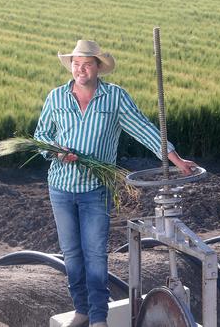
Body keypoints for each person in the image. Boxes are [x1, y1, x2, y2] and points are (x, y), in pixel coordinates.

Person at [34, 40, 197, 327]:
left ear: (98, 67)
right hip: (60, 187)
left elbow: (144, 129)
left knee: (95, 253)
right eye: (75, 64)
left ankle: (99, 318)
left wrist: (176, 159)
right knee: (71, 253)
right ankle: (81, 310)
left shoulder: (115, 97)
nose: (80, 69)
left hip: (96, 189)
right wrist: (55, 151)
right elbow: (41, 137)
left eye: (86, 64)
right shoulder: (56, 97)